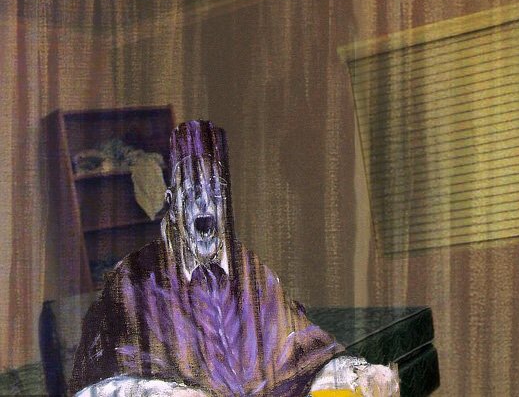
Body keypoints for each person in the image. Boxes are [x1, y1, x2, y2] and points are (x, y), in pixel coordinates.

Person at [70, 121, 399, 396]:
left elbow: (302, 347)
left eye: (215, 193)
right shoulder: (133, 280)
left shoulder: (251, 270)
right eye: (191, 193)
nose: (204, 205)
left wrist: (350, 373)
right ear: (172, 202)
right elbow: (99, 383)